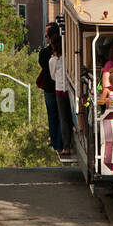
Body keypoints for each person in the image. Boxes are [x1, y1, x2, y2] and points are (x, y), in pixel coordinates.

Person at [48, 29, 75, 159]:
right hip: (70, 89)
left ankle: (66, 146)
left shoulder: (53, 61)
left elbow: (53, 76)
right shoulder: (69, 58)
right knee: (71, 117)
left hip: (60, 90)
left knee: (63, 119)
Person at [37, 22, 61, 152]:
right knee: (61, 116)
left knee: (52, 115)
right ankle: (59, 142)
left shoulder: (44, 53)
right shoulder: (63, 53)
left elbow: (44, 67)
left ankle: (55, 141)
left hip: (49, 88)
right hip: (60, 89)